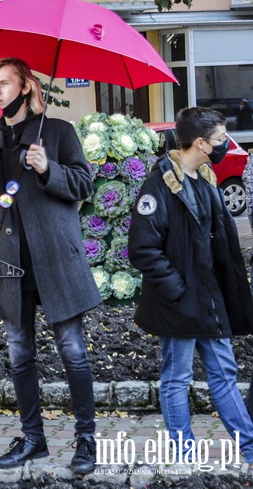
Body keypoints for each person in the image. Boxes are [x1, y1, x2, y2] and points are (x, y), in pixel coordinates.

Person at [0, 57, 100, 474]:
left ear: (25, 87)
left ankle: (85, 439)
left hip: (55, 258)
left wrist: (48, 168)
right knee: (20, 356)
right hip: (11, 263)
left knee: (73, 352)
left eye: (5, 84)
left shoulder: (57, 132)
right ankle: (34, 439)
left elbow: (84, 185)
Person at [129, 106, 253, 463]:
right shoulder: (158, 186)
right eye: (219, 139)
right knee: (176, 378)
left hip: (209, 301)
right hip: (179, 302)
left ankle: (248, 448)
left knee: (225, 374)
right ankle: (184, 454)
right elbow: (143, 249)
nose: (224, 145)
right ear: (200, 142)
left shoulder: (206, 178)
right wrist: (178, 292)